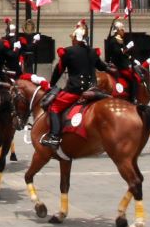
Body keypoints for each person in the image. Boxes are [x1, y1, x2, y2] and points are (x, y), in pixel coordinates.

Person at [38, 21, 109, 151]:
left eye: (73, 38)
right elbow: (103, 67)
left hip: (75, 91)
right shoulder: (92, 52)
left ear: (76, 39)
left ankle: (54, 136)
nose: (72, 41)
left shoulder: (68, 52)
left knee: (54, 107)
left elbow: (58, 70)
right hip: (93, 89)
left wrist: (51, 84)